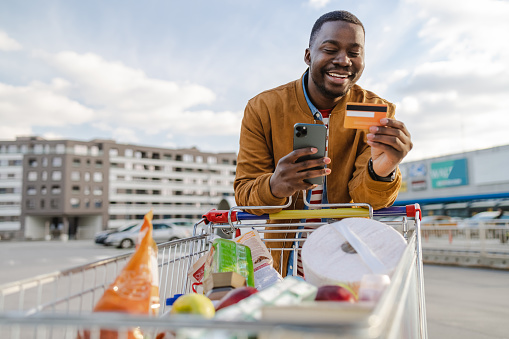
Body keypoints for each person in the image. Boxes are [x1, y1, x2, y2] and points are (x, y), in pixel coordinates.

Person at [234, 10, 413, 275]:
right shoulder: (264, 108)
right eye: (330, 49)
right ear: (308, 55)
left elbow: (366, 200)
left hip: (349, 255)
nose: (344, 61)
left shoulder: (374, 109)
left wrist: (382, 170)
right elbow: (245, 194)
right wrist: (275, 185)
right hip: (284, 260)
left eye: (355, 53)